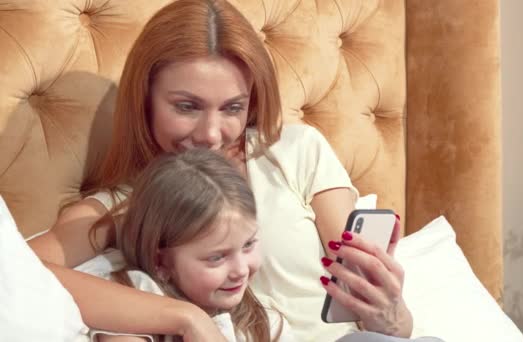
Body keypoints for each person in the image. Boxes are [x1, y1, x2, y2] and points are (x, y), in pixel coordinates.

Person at [27, 0, 413, 341]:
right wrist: (186, 318)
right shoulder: (125, 205)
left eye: (232, 108)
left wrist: (393, 315)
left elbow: (371, 306)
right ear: (144, 100)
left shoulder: (297, 153)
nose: (211, 135)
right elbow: (15, 271)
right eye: (187, 107)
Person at [90, 148, 292, 341]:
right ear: (160, 262)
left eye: (248, 244)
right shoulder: (134, 296)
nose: (240, 270)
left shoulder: (266, 326)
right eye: (217, 257)